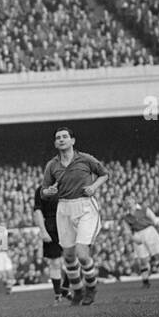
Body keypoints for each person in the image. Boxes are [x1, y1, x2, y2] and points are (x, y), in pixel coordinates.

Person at [41, 126, 109, 305]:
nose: (61, 139)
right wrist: (49, 191)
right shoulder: (52, 165)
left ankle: (91, 288)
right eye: (58, 138)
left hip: (85, 206)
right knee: (69, 256)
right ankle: (78, 290)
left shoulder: (85, 159)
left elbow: (104, 174)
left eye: (65, 137)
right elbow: (43, 192)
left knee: (82, 253)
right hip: (63, 208)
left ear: (72, 141)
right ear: (55, 143)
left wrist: (94, 187)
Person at [121, 196, 159, 287]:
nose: (128, 201)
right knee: (143, 260)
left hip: (149, 231)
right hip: (137, 234)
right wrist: (133, 238)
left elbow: (155, 220)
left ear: (134, 201)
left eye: (130, 199)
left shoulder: (144, 209)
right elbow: (127, 231)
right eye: (126, 200)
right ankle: (145, 281)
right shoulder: (126, 216)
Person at [32, 182, 69, 301]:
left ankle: (66, 288)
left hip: (68, 225)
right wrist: (43, 231)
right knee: (55, 263)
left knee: (74, 259)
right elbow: (38, 211)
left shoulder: (67, 186)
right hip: (51, 227)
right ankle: (58, 294)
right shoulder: (41, 190)